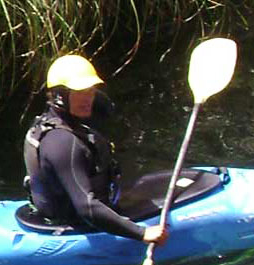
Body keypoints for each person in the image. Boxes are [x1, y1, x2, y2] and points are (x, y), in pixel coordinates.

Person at [23, 54, 166, 243]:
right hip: (79, 221)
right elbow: (87, 208)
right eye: (80, 92)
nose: (88, 98)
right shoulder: (63, 142)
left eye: (91, 90)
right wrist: (142, 233)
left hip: (56, 210)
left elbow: (106, 108)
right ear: (59, 96)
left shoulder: (51, 122)